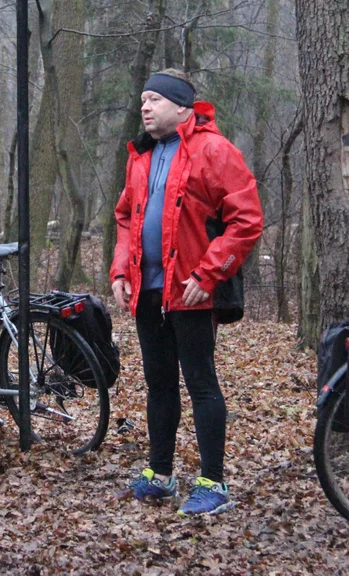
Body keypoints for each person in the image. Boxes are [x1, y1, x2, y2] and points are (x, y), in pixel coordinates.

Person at [110, 69, 262, 515]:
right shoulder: (140, 155)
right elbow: (125, 218)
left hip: (192, 293)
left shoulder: (214, 150)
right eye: (143, 99)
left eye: (154, 99)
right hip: (147, 291)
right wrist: (121, 271)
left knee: (200, 383)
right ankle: (160, 475)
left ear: (182, 108)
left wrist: (208, 275)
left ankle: (213, 484)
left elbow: (247, 220)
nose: (145, 107)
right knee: (159, 385)